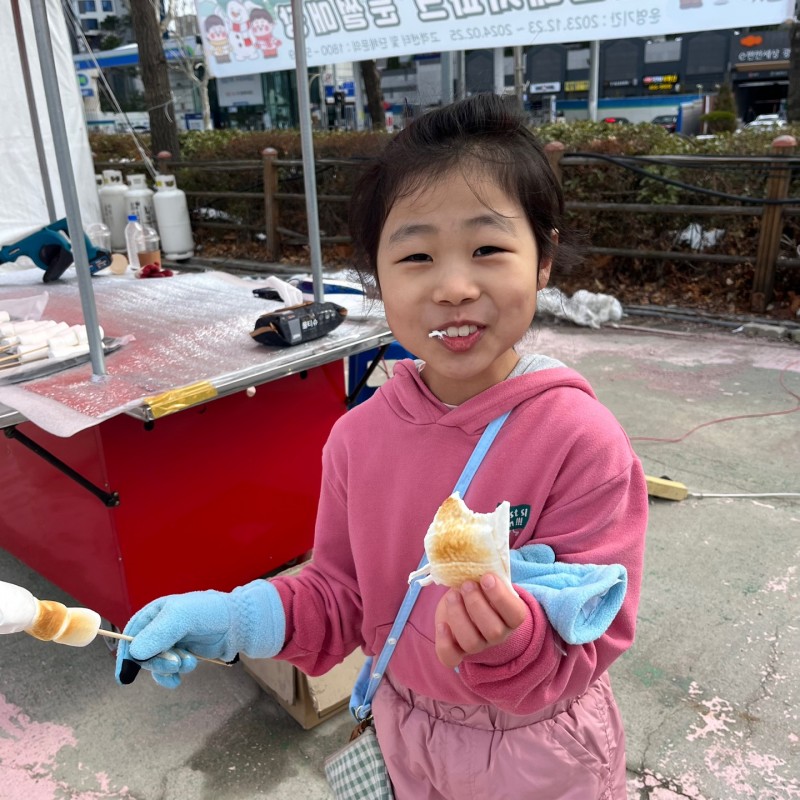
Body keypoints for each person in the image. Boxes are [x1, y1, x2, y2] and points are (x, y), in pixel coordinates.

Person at [115, 93, 648, 800]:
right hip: (403, 736)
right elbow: (338, 597)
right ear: (377, 277)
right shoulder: (357, 436)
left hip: (539, 752)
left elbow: (594, 627)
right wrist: (230, 617)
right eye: (417, 255)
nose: (454, 287)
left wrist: (510, 645)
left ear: (543, 261)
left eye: (488, 249)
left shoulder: (581, 440)